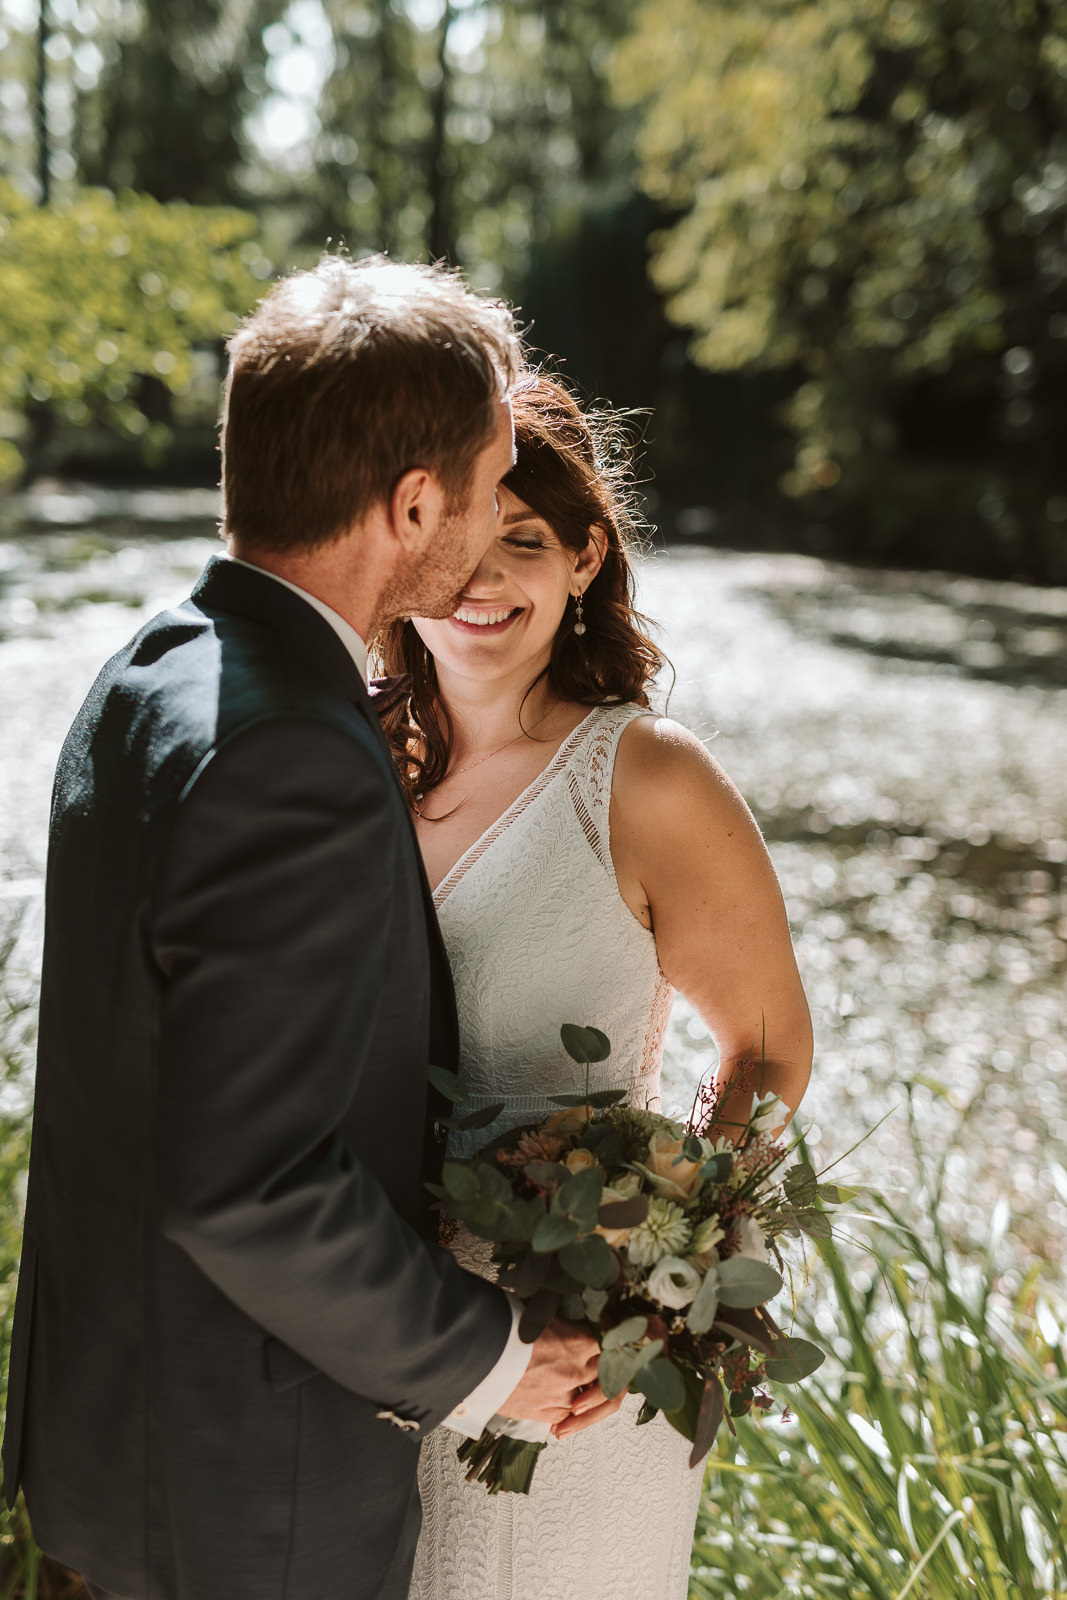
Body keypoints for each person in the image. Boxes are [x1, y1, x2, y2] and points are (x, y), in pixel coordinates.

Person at [0, 260, 606, 1600]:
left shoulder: (150, 670)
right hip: (242, 1504)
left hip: (113, 1451)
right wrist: (493, 1358)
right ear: (409, 505)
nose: (504, 507)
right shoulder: (295, 752)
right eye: (490, 476)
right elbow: (255, 1188)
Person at [373, 374, 814, 1600]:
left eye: (524, 538)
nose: (482, 575)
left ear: (584, 557)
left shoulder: (641, 776)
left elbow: (769, 1050)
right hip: (375, 1344)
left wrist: (654, 1273)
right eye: (456, 535)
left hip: (568, 1359)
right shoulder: (346, 765)